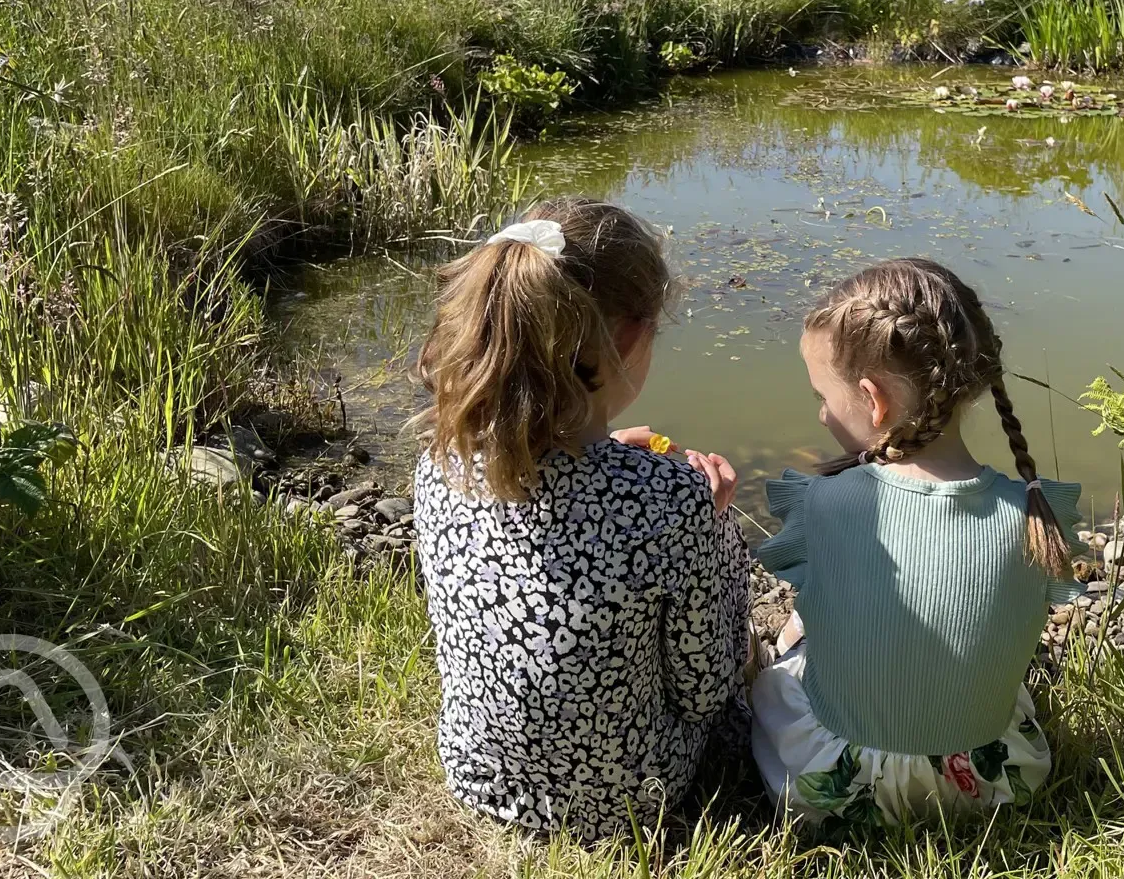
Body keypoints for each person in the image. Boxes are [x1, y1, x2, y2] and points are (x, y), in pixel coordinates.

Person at [410, 198, 750, 841]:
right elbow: (707, 688)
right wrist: (715, 526)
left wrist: (618, 472)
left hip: (478, 770)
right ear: (628, 337)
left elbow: (562, 515)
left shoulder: (442, 461)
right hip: (624, 795)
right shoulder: (671, 503)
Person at [752, 257, 1081, 825]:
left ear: (873, 400)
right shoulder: (1032, 512)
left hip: (839, 788)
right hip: (993, 780)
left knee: (779, 669)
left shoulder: (821, 502)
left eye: (822, 396)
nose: (823, 412)